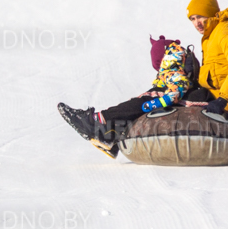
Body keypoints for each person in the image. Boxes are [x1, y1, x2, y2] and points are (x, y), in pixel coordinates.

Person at [58, 35, 195, 157]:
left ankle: (98, 120)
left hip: (172, 102)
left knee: (136, 104)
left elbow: (179, 87)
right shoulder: (170, 71)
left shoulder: (173, 71)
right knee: (138, 105)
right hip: (167, 99)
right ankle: (111, 137)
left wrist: (160, 102)